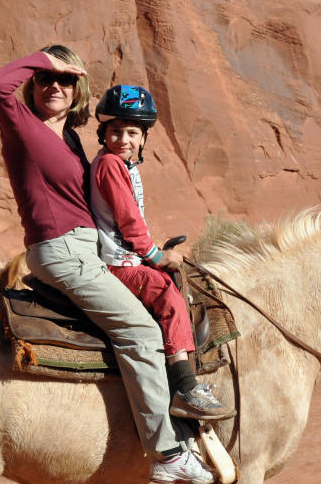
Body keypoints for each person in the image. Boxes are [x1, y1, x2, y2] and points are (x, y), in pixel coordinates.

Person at [0, 46, 215, 484]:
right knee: (140, 332)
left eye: (67, 82)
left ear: (79, 93)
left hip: (90, 250)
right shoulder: (23, 125)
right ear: (32, 84)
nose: (55, 86)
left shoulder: (71, 139)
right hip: (62, 251)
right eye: (46, 79)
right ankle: (166, 452)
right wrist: (50, 62)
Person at [89, 85, 235, 421]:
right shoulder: (111, 164)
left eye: (131, 133)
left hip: (127, 257)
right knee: (168, 294)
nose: (122, 139)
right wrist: (156, 257)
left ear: (143, 138)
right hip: (119, 264)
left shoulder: (121, 165)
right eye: (114, 131)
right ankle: (185, 387)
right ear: (103, 133)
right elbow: (129, 223)